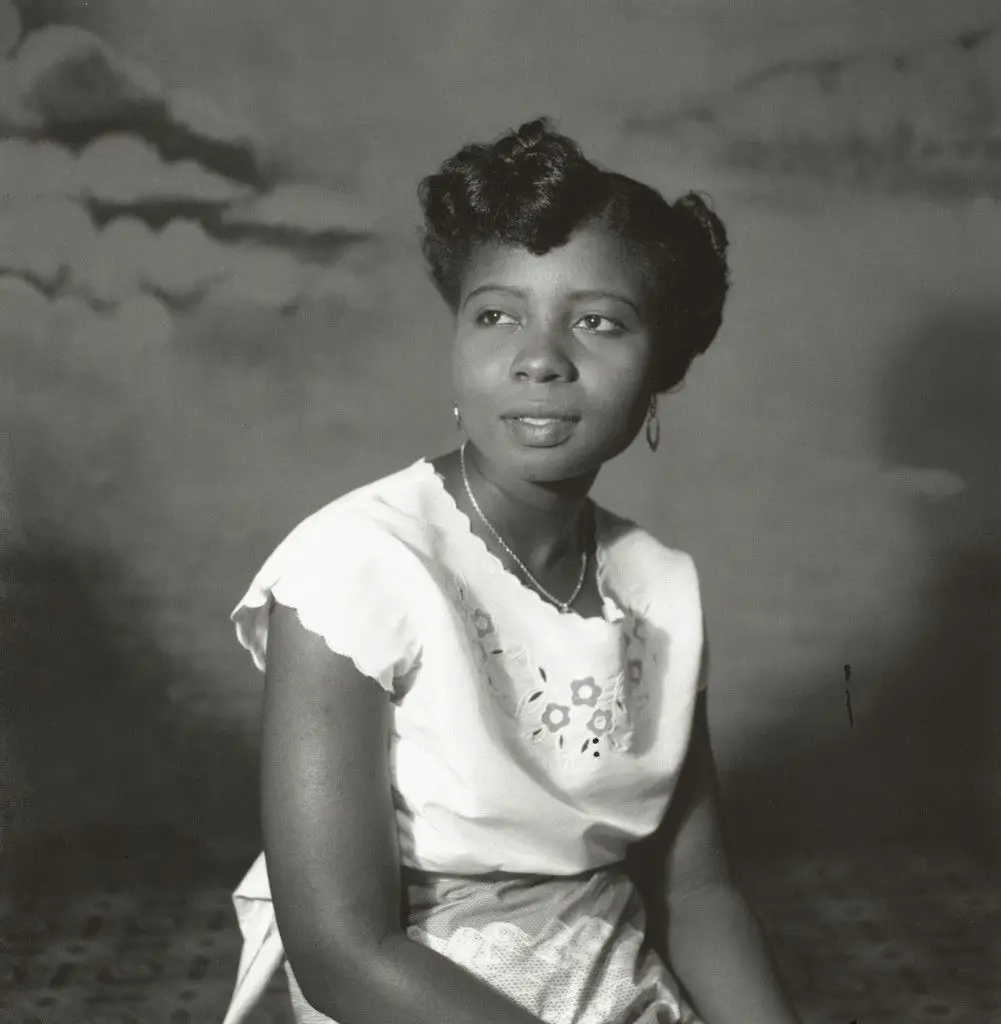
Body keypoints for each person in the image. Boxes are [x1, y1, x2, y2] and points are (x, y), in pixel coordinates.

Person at [221, 118, 801, 1024]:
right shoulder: (355, 565)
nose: (538, 359)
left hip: (604, 969)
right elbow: (343, 953)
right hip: (410, 990)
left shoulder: (655, 585)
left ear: (660, 373)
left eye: (597, 323)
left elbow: (696, 894)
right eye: (496, 315)